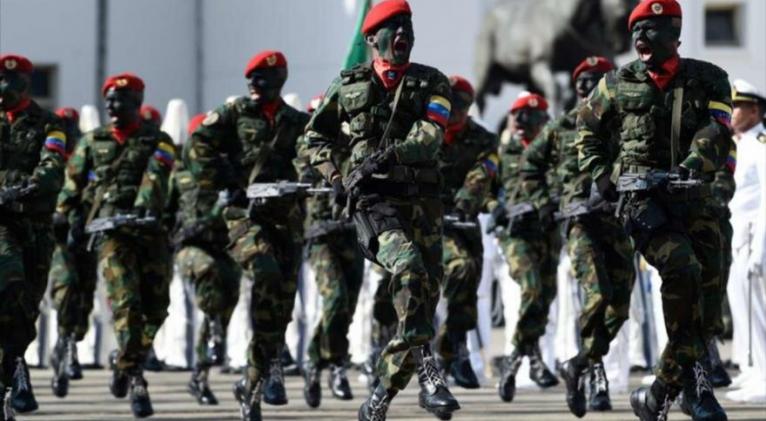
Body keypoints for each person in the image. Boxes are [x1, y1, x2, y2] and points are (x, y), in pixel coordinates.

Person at [304, 1, 460, 419]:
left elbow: (430, 136)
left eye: (407, 25)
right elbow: (313, 138)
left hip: (422, 203)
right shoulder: (348, 84)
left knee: (422, 299)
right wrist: (336, 178)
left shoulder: (433, 82)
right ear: (372, 39)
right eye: (392, 27)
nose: (402, 33)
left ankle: (379, 397)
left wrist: (387, 157)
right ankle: (429, 372)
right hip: (375, 204)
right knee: (408, 269)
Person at [576, 1, 731, 419]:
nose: (641, 38)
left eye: (652, 29)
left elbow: (717, 131)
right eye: (637, 31)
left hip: (697, 201)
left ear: (674, 34)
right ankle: (697, 389)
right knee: (683, 271)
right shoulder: (615, 83)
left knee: (710, 307)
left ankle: (660, 390)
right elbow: (585, 130)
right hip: (643, 205)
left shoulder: (710, 79)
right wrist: (603, 177)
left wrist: (692, 166)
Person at [185, 50, 309, 421]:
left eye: (261, 79)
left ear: (279, 80)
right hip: (244, 217)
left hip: (285, 221)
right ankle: (266, 365)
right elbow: (198, 145)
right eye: (251, 79)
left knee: (281, 307)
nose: (253, 85)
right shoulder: (235, 113)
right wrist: (225, 179)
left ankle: (254, 381)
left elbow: (315, 153)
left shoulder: (296, 121)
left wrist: (311, 178)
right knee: (265, 272)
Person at [521, 56, 635, 416]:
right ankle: (595, 376)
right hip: (580, 222)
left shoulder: (625, 123)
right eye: (582, 81)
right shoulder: (561, 126)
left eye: (597, 79)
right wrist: (542, 203)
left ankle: (581, 362)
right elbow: (530, 164)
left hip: (618, 221)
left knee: (620, 305)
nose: (588, 86)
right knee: (596, 294)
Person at [58, 72, 174, 418]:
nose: (112, 105)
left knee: (156, 307)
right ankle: (137, 380)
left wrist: (143, 205)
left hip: (149, 232)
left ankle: (123, 362)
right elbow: (73, 183)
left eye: (120, 100)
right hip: (110, 235)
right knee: (126, 303)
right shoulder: (92, 142)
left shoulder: (160, 140)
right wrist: (64, 214)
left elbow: (157, 176)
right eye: (108, 99)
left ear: (137, 102)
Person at [0, 53, 67, 419]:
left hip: (34, 227)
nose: (3, 88)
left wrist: (27, 187)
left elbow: (53, 165)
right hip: (1, 225)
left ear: (25, 83)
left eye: (10, 81)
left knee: (26, 305)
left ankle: (13, 364)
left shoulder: (49, 123)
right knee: (7, 281)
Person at [165, 113, 241, 405]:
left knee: (226, 304)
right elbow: (165, 211)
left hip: (224, 245)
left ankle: (200, 375)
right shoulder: (179, 173)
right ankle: (213, 334)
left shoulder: (228, 171)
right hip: (190, 247)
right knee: (208, 275)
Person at [297, 96, 365, 408]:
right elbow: (303, 174)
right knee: (335, 298)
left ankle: (320, 362)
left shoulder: (352, 145)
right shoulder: (305, 148)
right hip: (320, 236)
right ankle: (333, 363)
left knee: (345, 308)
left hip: (352, 235)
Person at [495, 92, 560, 403]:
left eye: (528, 116)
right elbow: (482, 187)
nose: (521, 122)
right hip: (515, 236)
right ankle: (525, 360)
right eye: (516, 115)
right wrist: (494, 206)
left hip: (547, 234)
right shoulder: (500, 152)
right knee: (531, 290)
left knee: (543, 301)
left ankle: (521, 356)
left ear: (543, 120)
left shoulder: (556, 150)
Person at [435, 75, 498, 389]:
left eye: (461, 105)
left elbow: (486, 179)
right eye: (450, 104)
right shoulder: (424, 133)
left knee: (466, 282)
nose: (454, 112)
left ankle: (452, 351)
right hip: (427, 225)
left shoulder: (484, 140)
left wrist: (479, 202)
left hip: (463, 226)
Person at [49, 106, 99, 398]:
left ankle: (70, 340)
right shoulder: (48, 156)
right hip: (56, 237)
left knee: (85, 295)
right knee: (66, 286)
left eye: (72, 124)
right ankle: (65, 347)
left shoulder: (88, 155)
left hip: (85, 235)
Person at [725, 79, 766, 403]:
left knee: (758, 312)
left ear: (754, 110)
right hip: (738, 238)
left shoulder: (762, 142)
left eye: (738, 105)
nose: (733, 111)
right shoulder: (739, 143)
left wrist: (760, 249)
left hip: (755, 239)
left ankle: (764, 377)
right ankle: (752, 370)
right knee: (743, 310)